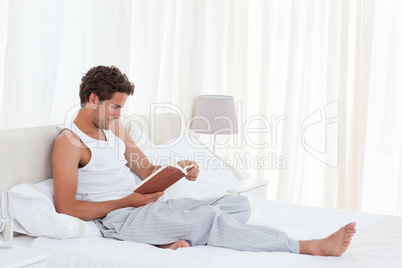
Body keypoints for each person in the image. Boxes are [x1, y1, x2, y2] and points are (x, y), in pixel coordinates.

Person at [52, 65, 356, 254]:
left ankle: (166, 237)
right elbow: (66, 208)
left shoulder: (114, 127)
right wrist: (127, 202)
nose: (120, 114)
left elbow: (144, 168)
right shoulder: (70, 143)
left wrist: (177, 171)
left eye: (121, 107)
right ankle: (308, 246)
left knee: (238, 205)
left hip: (148, 207)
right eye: (115, 107)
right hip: (119, 218)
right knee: (211, 219)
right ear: (93, 98)